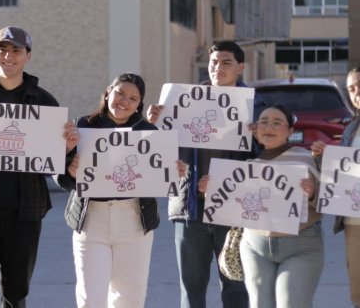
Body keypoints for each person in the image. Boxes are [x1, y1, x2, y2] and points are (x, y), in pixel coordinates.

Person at [0, 26, 78, 308]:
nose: (8, 57)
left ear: (28, 57)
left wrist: (67, 149)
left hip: (26, 213)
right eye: (2, 50)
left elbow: (59, 167)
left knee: (16, 295)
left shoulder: (44, 102)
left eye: (16, 51)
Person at [147, 41, 262, 308]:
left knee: (236, 288)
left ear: (240, 67)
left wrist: (259, 137)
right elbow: (159, 153)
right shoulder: (182, 102)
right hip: (190, 208)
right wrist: (152, 125)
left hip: (234, 212)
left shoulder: (257, 107)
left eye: (226, 62)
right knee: (191, 290)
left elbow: (265, 158)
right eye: (214, 62)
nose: (218, 68)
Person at [56, 73, 164, 308]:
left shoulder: (148, 131)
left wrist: (172, 169)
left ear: (139, 105)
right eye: (120, 93)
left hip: (134, 220)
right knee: (91, 300)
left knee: (130, 299)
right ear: (108, 92)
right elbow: (62, 179)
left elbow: (158, 177)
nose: (124, 101)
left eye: (133, 99)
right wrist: (70, 168)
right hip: (92, 219)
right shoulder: (83, 125)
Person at [199, 104, 323, 308]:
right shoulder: (246, 164)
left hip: (300, 247)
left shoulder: (304, 157)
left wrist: (312, 193)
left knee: (291, 304)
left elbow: (329, 201)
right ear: (255, 130)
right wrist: (209, 191)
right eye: (263, 122)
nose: (269, 127)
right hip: (255, 246)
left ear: (290, 131)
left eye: (277, 123)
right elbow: (230, 206)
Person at [311, 67, 360, 308]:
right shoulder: (351, 128)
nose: (357, 92)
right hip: (354, 219)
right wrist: (324, 158)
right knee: (357, 288)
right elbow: (345, 171)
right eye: (351, 88)